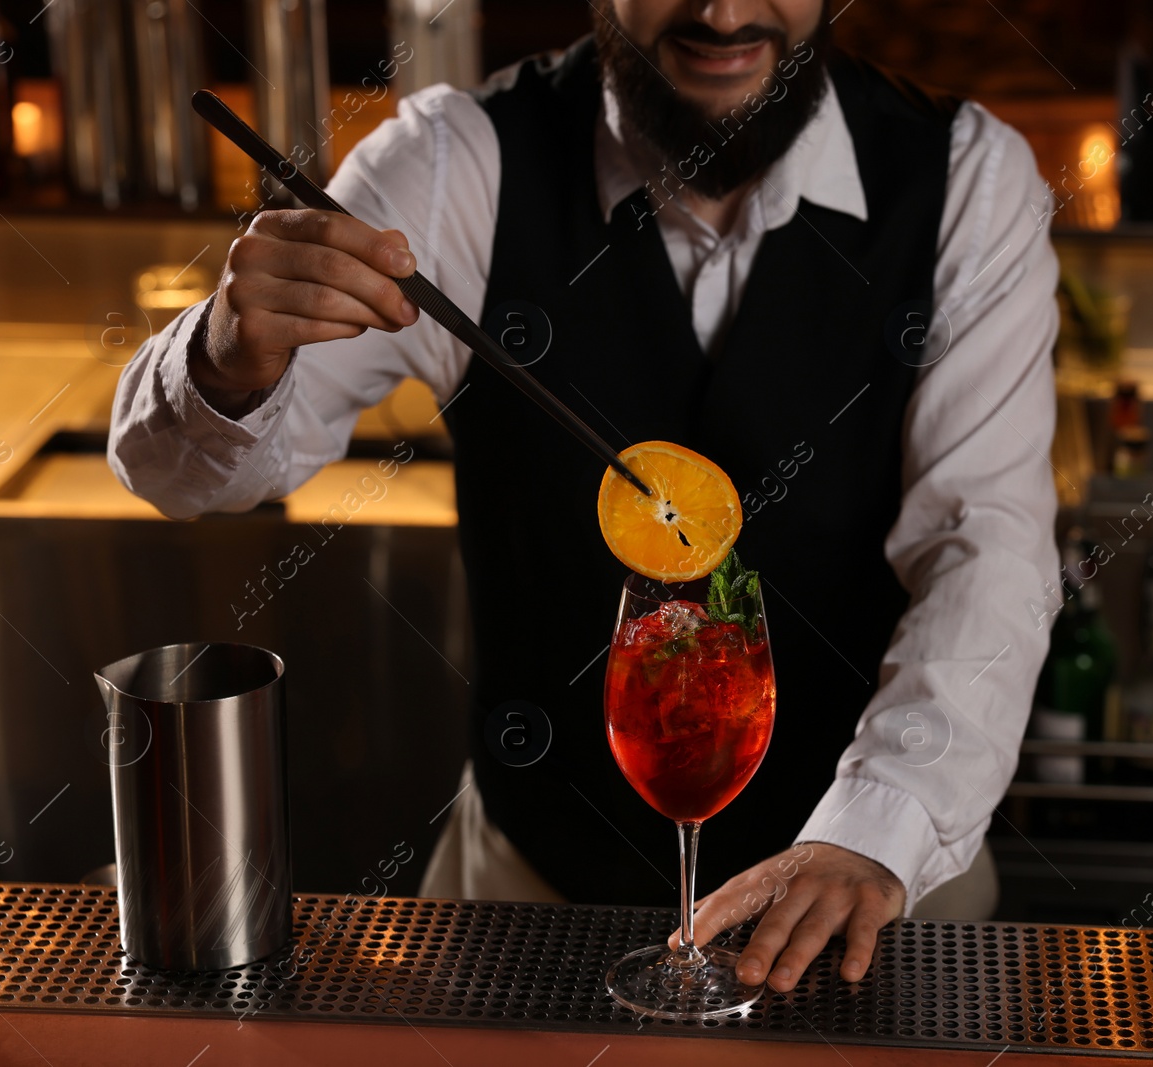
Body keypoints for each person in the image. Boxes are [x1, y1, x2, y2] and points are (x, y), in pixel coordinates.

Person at [107, 0, 1059, 994]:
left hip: (878, 900)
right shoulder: (455, 162)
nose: (724, 12)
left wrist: (883, 827)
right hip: (525, 893)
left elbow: (985, 544)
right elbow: (183, 477)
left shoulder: (967, 181)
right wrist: (226, 354)